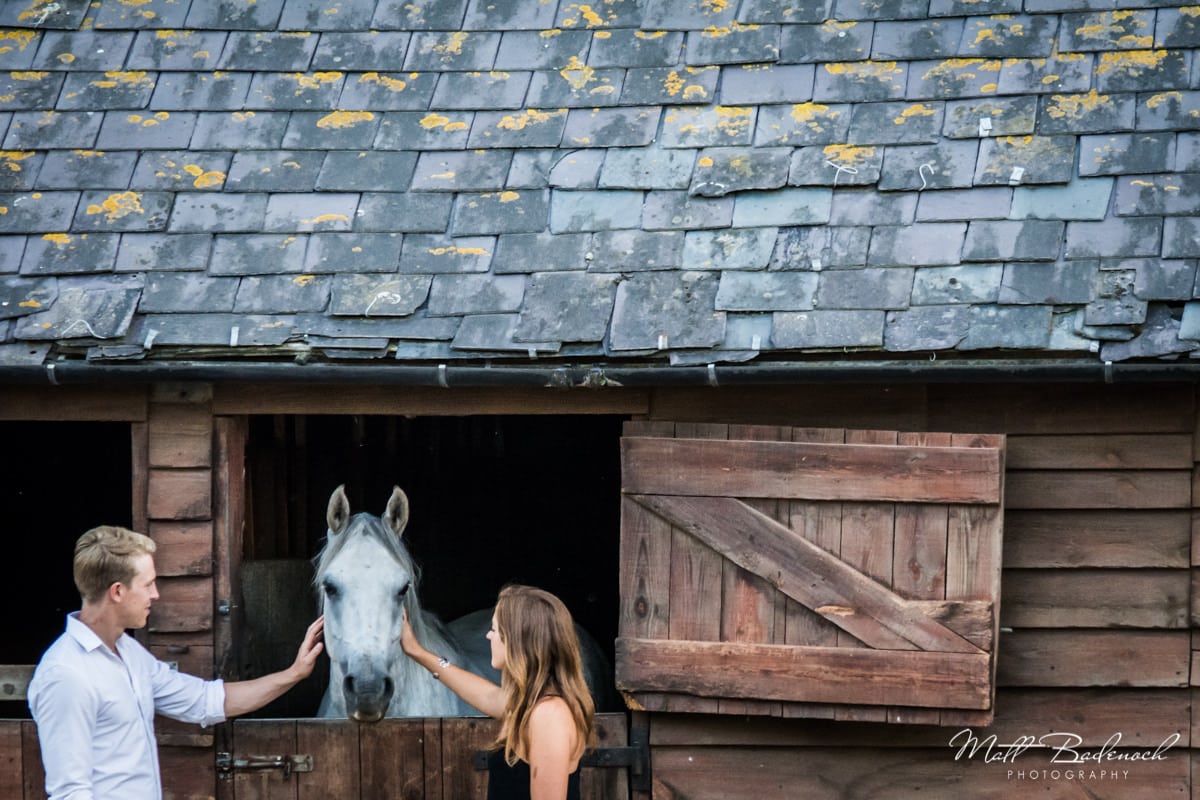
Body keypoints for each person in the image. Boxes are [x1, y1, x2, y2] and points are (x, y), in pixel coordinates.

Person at [27, 525, 325, 800]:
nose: (155, 595)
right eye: (148, 585)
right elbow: (70, 793)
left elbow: (205, 701)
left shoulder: (129, 653)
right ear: (117, 591)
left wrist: (294, 673)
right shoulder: (66, 675)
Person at [400, 584, 597, 800]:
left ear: (518, 640)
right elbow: (487, 695)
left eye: (494, 630)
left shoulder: (549, 716)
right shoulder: (531, 706)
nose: (488, 636)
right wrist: (417, 652)